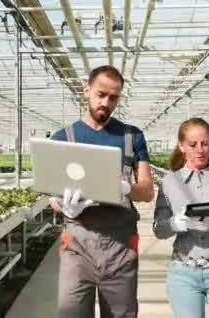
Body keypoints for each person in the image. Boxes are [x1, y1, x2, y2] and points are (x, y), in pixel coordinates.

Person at [48, 65, 154, 318]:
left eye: (113, 97)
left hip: (120, 244)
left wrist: (126, 188)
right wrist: (65, 205)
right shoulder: (64, 137)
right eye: (101, 94)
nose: (106, 102)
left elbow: (147, 190)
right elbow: (52, 196)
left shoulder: (131, 136)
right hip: (77, 242)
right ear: (86, 90)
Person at [153, 118, 209, 318]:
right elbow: (158, 229)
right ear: (181, 146)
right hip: (184, 274)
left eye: (205, 143)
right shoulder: (169, 183)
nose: (200, 150)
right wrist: (173, 224)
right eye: (193, 145)